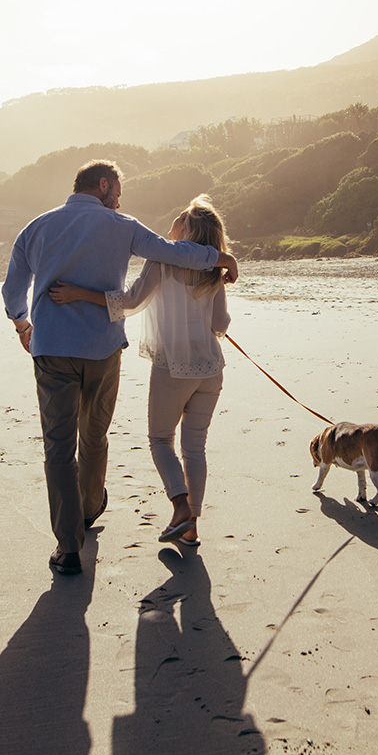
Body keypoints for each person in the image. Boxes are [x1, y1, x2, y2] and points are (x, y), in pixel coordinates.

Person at [2, 163, 238, 575]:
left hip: (52, 347)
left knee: (59, 447)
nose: (121, 199)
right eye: (119, 190)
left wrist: (23, 323)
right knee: (95, 437)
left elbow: (12, 290)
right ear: (105, 185)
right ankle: (95, 507)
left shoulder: (35, 227)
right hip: (104, 350)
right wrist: (218, 256)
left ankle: (68, 545)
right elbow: (174, 254)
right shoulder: (123, 225)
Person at [48, 194, 230, 547]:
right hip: (210, 370)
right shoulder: (214, 272)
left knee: (161, 440)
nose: (173, 220)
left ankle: (180, 509)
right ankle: (191, 524)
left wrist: (78, 294)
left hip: (173, 370)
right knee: (196, 448)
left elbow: (128, 302)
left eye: (180, 216)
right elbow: (221, 325)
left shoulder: (162, 262)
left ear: (187, 229)